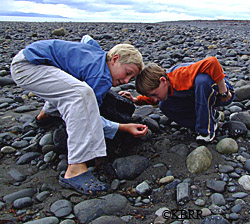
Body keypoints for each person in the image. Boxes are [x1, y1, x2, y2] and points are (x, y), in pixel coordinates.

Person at [10, 35, 148, 195]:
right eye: (127, 73)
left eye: (131, 78)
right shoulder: (100, 77)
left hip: (31, 57)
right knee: (81, 94)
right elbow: (89, 117)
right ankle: (75, 169)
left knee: (69, 85)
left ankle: (45, 116)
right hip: (29, 67)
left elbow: (87, 39)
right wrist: (123, 127)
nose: (126, 80)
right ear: (114, 59)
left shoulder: (97, 52)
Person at [119, 57, 235, 142]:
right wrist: (135, 100)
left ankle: (206, 130)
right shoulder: (163, 87)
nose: (154, 99)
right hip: (197, 95)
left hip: (221, 90)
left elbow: (212, 62)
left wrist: (224, 92)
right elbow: (152, 97)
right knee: (164, 105)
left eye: (154, 94)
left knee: (202, 80)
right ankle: (211, 117)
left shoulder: (180, 75)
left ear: (163, 81)